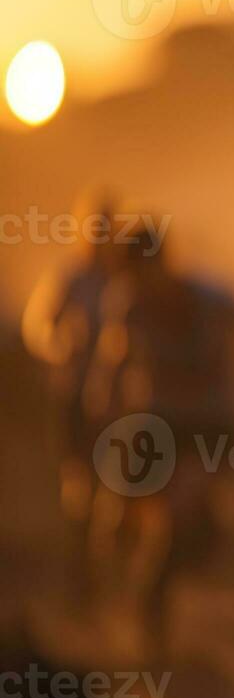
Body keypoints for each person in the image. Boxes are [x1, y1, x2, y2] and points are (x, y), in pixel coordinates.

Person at [84, 220, 234, 662]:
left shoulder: (212, 300)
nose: (138, 282)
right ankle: (130, 601)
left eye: (143, 270)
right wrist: (105, 409)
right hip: (155, 421)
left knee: (176, 514)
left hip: (209, 425)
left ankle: (152, 625)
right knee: (118, 523)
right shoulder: (127, 304)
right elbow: (114, 362)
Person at [20, 189, 129, 605]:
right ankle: (82, 578)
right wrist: (62, 346)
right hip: (76, 395)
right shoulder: (71, 278)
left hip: (120, 401)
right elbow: (39, 327)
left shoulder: (125, 279)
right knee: (81, 487)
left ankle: (112, 576)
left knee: (121, 489)